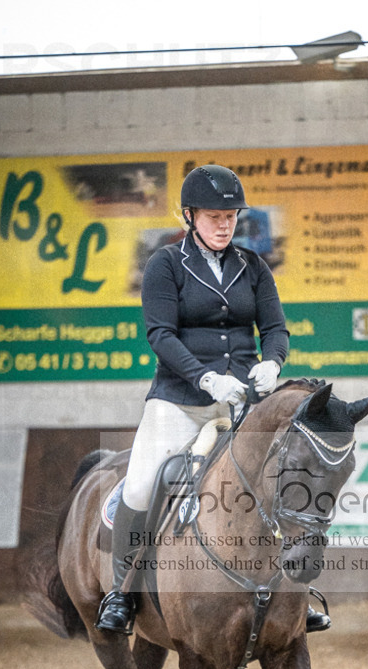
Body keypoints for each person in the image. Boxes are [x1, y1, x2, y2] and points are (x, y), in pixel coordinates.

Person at [95, 163, 330, 636]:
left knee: (278, 481)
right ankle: (122, 593)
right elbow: (159, 335)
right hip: (179, 400)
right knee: (142, 485)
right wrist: (205, 380)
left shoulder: (252, 265)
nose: (225, 224)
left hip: (242, 401)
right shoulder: (165, 264)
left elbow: (275, 328)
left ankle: (292, 597)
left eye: (230, 216)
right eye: (214, 216)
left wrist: (274, 363)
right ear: (189, 216)